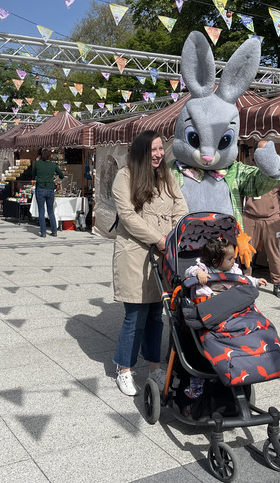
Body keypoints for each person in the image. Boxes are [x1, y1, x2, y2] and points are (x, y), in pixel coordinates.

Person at [111, 130, 188, 396]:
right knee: (135, 316)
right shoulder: (125, 176)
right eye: (153, 149)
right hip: (134, 253)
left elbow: (181, 208)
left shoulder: (166, 177)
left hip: (163, 253)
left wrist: (173, 235)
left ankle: (154, 365)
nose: (158, 154)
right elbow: (128, 217)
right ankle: (124, 368)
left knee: (157, 315)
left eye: (160, 149)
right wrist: (158, 238)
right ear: (142, 151)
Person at [243, 147, 280, 299]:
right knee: (245, 253)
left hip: (272, 219)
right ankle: (245, 282)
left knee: (273, 253)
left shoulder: (279, 174)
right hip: (250, 218)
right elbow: (238, 193)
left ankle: (278, 283)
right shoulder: (249, 173)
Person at [185, 236, 268, 302]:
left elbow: (243, 279)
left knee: (247, 290)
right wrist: (199, 272)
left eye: (233, 257)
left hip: (230, 300)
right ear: (215, 262)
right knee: (200, 286)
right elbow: (188, 271)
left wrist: (256, 281)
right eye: (230, 259)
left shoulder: (234, 270)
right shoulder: (205, 269)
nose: (234, 260)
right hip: (210, 300)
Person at [31, 148, 65, 237]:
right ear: (50, 156)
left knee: (41, 211)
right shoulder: (52, 165)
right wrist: (55, 180)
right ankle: (54, 231)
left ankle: (43, 232)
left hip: (41, 189)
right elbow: (61, 175)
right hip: (50, 189)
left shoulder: (38, 164)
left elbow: (33, 174)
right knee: (51, 211)